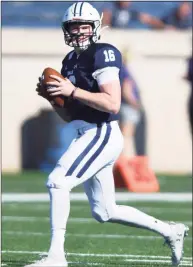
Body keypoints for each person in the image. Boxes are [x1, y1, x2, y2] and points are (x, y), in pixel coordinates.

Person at [26, 2, 189, 267]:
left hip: (101, 132)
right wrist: (53, 100)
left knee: (58, 182)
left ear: (95, 27)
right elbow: (70, 115)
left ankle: (56, 257)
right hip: (85, 131)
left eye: (84, 26)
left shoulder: (104, 53)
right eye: (73, 26)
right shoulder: (69, 61)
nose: (78, 31)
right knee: (104, 211)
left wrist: (72, 92)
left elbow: (113, 104)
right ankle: (171, 230)